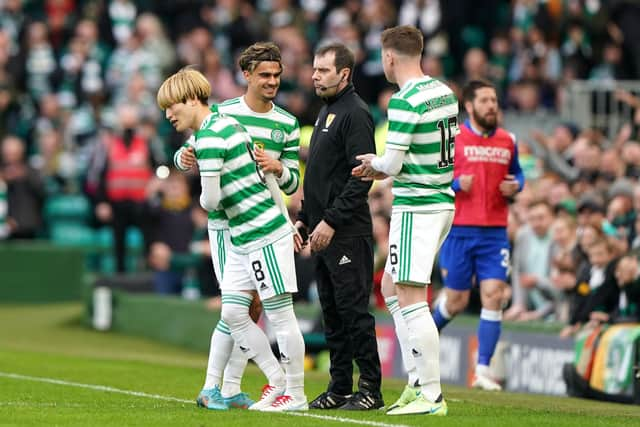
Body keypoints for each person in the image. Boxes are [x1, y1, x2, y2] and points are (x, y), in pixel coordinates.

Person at [157, 67, 307, 412]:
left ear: (190, 98)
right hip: (244, 234)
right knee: (235, 312)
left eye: (171, 107)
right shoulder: (224, 123)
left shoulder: (215, 133)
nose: (168, 115)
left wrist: (285, 224)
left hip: (261, 230)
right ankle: (275, 378)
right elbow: (187, 159)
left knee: (279, 314)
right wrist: (187, 159)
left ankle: (294, 393)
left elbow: (208, 201)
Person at [352, 25, 457, 416]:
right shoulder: (443, 92)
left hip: (418, 205)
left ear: (390, 57)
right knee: (391, 286)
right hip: (442, 200)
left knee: (413, 297)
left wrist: (371, 165)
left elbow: (391, 164)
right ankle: (416, 381)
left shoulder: (405, 100)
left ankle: (430, 394)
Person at [295, 42, 383, 411]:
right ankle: (340, 386)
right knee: (331, 312)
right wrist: (304, 217)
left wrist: (329, 220)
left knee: (354, 313)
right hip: (321, 230)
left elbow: (361, 178)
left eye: (323, 70)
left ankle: (371, 389)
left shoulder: (356, 114)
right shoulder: (326, 110)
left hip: (346, 232)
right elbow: (318, 176)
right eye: (314, 69)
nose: (315, 75)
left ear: (344, 74)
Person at [432, 80, 525, 391]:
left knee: (494, 296)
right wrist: (457, 185)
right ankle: (422, 341)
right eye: (485, 100)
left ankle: (483, 370)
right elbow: (435, 180)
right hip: (459, 230)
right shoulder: (453, 139)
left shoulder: (508, 140)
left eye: (494, 100)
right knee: (456, 301)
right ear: (469, 106)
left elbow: (519, 173)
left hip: (495, 233)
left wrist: (517, 186)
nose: (491, 106)